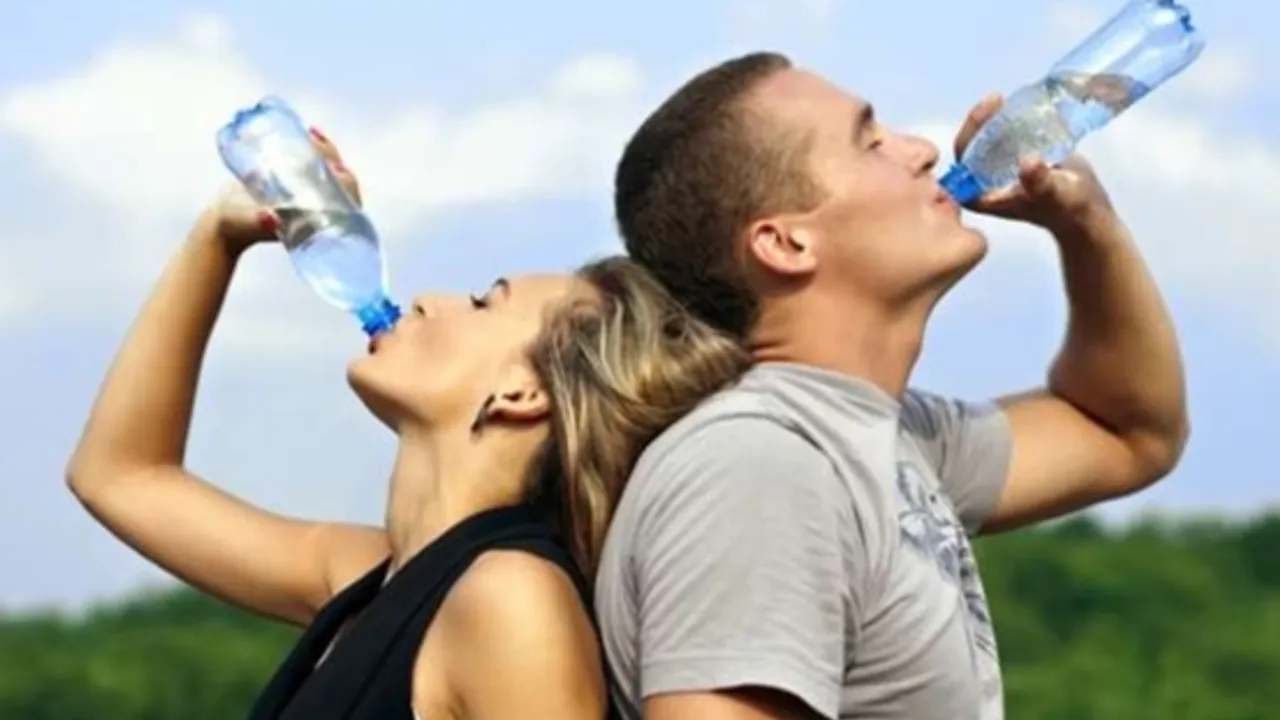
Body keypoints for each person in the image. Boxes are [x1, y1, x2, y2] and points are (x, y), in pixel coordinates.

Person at [65, 133, 748, 720]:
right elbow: (118, 475)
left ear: (522, 393)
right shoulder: (371, 576)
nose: (427, 300)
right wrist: (219, 236)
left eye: (483, 303)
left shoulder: (511, 601)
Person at [598, 52, 1190, 720]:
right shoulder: (760, 468)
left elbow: (1126, 433)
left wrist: (1086, 223)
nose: (923, 150)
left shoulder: (883, 438)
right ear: (785, 244)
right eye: (870, 141)